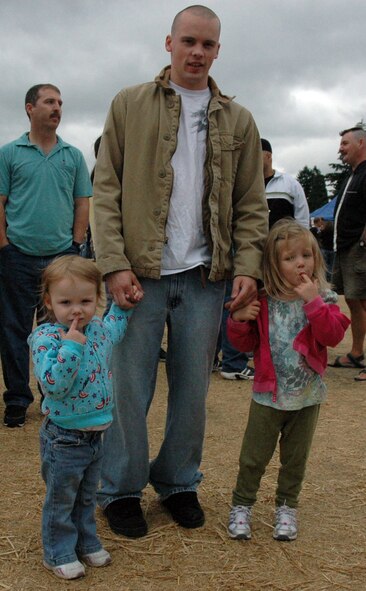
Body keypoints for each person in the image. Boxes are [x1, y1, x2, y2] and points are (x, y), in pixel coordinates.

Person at [93, 5, 268, 537]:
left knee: (193, 390)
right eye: (188, 41)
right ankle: (120, 489)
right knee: (129, 389)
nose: (197, 52)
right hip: (139, 276)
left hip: (204, 277)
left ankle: (178, 482)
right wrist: (114, 265)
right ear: (168, 43)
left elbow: (250, 203)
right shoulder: (128, 103)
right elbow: (106, 191)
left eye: (207, 45)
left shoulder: (239, 119)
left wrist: (247, 266)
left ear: (218, 51)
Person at [226, 220, 349, 541]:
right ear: (273, 264)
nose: (300, 263)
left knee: (295, 459)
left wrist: (314, 303)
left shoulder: (325, 298)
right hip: (269, 396)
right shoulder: (264, 301)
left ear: (316, 259)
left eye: (306, 255)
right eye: (290, 258)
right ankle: (242, 505)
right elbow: (243, 344)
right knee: (253, 457)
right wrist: (239, 320)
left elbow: (332, 336)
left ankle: (287, 507)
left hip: (307, 397)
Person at [28, 255, 135, 580]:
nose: (77, 310)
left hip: (95, 434)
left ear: (96, 299)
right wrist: (70, 348)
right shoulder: (47, 338)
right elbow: (53, 386)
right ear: (49, 301)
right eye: (66, 302)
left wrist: (122, 308)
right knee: (62, 499)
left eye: (86, 301)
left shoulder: (99, 329)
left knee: (87, 495)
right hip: (64, 437)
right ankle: (57, 551)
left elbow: (114, 332)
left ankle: (86, 541)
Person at [0, 84, 92, 428]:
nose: (57, 108)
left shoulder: (73, 156)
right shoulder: (9, 153)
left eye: (60, 103)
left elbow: (82, 201)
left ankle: (53, 396)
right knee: (14, 330)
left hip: (60, 259)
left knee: (57, 329)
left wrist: (76, 244)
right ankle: (17, 400)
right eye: (49, 102)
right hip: (18, 256)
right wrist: (4, 246)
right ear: (29, 108)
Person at [330, 122, 366, 381]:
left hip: (359, 248)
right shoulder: (352, 175)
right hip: (344, 248)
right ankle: (356, 353)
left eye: (345, 143)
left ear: (361, 144)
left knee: (363, 300)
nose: (340, 149)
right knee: (354, 300)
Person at [261, 138, 310, 229]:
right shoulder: (247, 186)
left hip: (283, 241)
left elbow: (303, 221)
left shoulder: (290, 184)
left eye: (256, 154)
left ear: (268, 156)